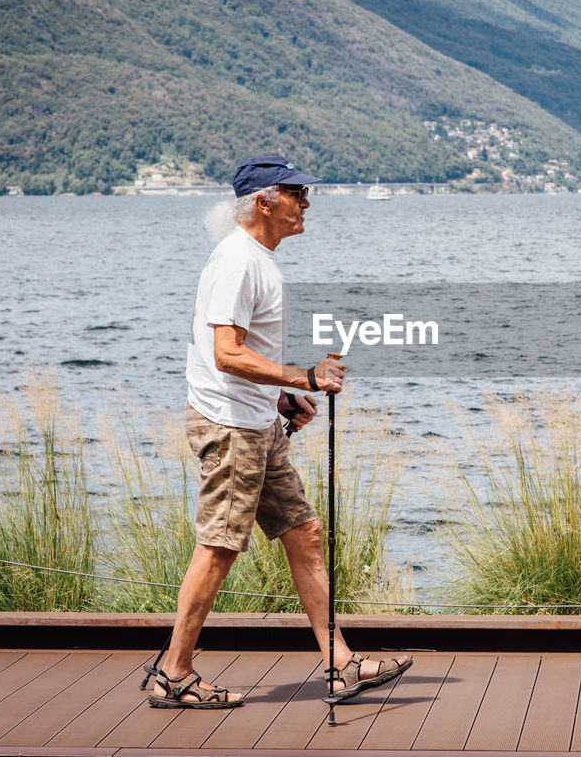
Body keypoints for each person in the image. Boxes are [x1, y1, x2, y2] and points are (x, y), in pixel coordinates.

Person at [149, 154, 411, 710]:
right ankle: (173, 673)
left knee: (304, 532)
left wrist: (282, 397)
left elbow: (237, 352)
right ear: (264, 201)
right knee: (219, 546)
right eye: (297, 193)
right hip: (231, 427)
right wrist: (303, 375)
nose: (307, 202)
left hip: (257, 419)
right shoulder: (238, 262)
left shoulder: (259, 260)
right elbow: (225, 353)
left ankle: (341, 666)